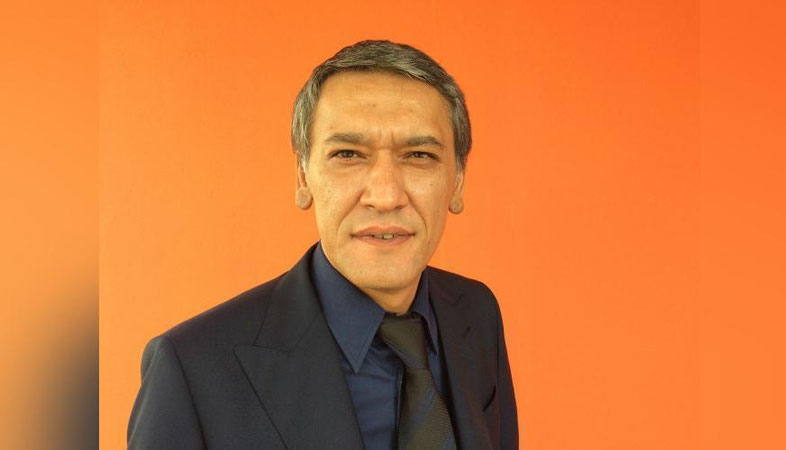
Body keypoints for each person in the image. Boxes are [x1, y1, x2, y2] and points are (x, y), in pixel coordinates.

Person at [128, 40, 518, 450]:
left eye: (419, 155)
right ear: (303, 177)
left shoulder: (476, 313)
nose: (386, 196)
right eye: (348, 154)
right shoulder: (191, 368)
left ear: (457, 181)